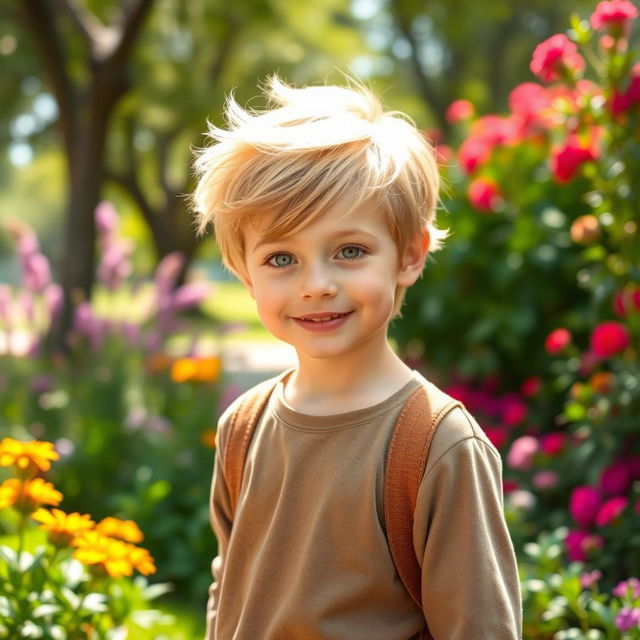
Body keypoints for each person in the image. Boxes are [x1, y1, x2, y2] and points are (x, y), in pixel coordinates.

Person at [191, 75, 522, 639]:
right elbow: (231, 593)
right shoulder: (242, 429)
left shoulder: (436, 446)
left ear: (409, 256)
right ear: (245, 273)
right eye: (280, 259)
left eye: (350, 251)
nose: (316, 285)